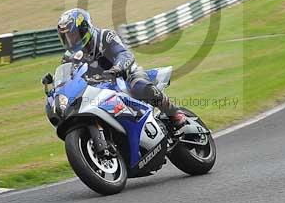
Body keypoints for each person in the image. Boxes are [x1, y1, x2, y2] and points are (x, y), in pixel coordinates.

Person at [55, 8, 187, 130]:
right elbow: (69, 79)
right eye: (67, 37)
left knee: (140, 86)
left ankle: (173, 113)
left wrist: (118, 68)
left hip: (125, 76)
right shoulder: (69, 58)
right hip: (97, 90)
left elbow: (124, 54)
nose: (71, 40)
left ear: (84, 29)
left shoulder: (105, 36)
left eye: (73, 35)